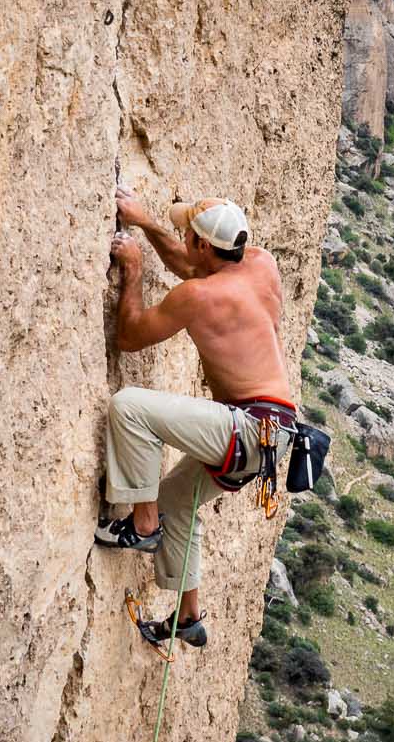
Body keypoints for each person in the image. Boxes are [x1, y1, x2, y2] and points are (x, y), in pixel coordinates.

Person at [97, 187, 296, 649]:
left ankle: (142, 528)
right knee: (177, 499)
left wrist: (133, 270)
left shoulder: (199, 297)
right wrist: (146, 223)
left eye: (187, 233)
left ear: (205, 246)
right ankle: (188, 617)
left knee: (130, 407)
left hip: (246, 429)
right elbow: (190, 266)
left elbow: (128, 337)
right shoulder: (262, 265)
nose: (183, 237)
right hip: (276, 434)